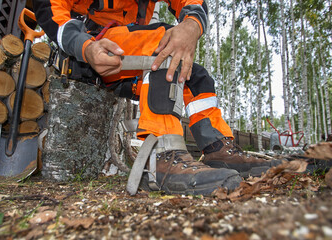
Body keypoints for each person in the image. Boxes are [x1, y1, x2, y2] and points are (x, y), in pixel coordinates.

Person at [33, 0, 280, 195]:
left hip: (126, 65)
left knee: (196, 77)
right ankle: (162, 156)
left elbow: (190, 2)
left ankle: (218, 150)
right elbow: (50, 8)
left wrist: (192, 25)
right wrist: (84, 46)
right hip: (87, 52)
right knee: (161, 42)